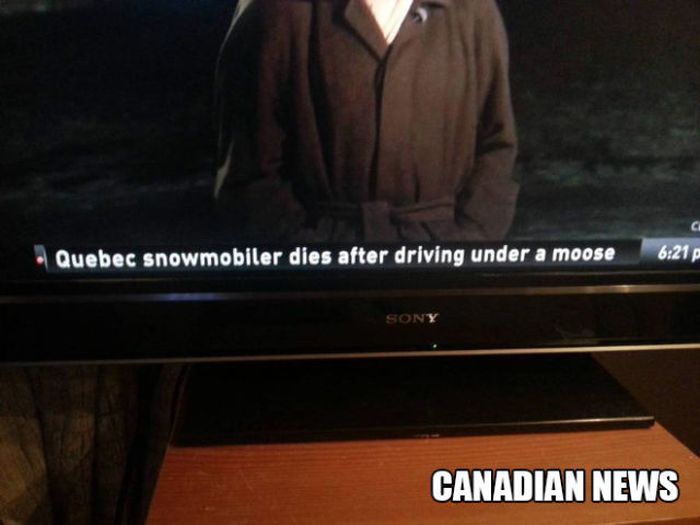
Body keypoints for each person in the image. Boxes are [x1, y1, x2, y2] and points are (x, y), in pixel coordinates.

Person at [214, 0, 518, 242]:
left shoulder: (472, 11)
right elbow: (248, 177)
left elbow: (497, 145)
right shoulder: (275, 12)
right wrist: (311, 258)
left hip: (443, 270)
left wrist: (468, 243)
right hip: (324, 277)